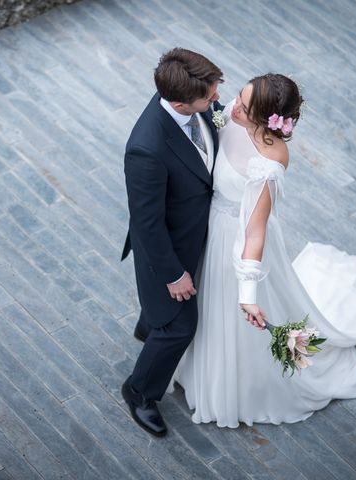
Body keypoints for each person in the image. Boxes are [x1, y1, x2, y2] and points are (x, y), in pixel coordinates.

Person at [172, 73, 356, 427]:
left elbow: (254, 235)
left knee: (225, 309)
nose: (232, 106)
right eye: (239, 96)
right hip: (208, 225)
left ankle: (234, 381)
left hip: (235, 242)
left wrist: (248, 293)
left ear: (266, 119)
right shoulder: (231, 117)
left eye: (244, 105)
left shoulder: (268, 164)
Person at [120, 47, 223, 437]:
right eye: (210, 97)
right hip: (169, 248)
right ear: (180, 103)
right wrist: (173, 274)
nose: (217, 102)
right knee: (180, 327)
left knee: (162, 316)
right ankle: (139, 391)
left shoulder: (190, 94)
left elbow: (217, 122)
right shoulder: (146, 149)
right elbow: (148, 225)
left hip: (200, 227)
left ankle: (147, 324)